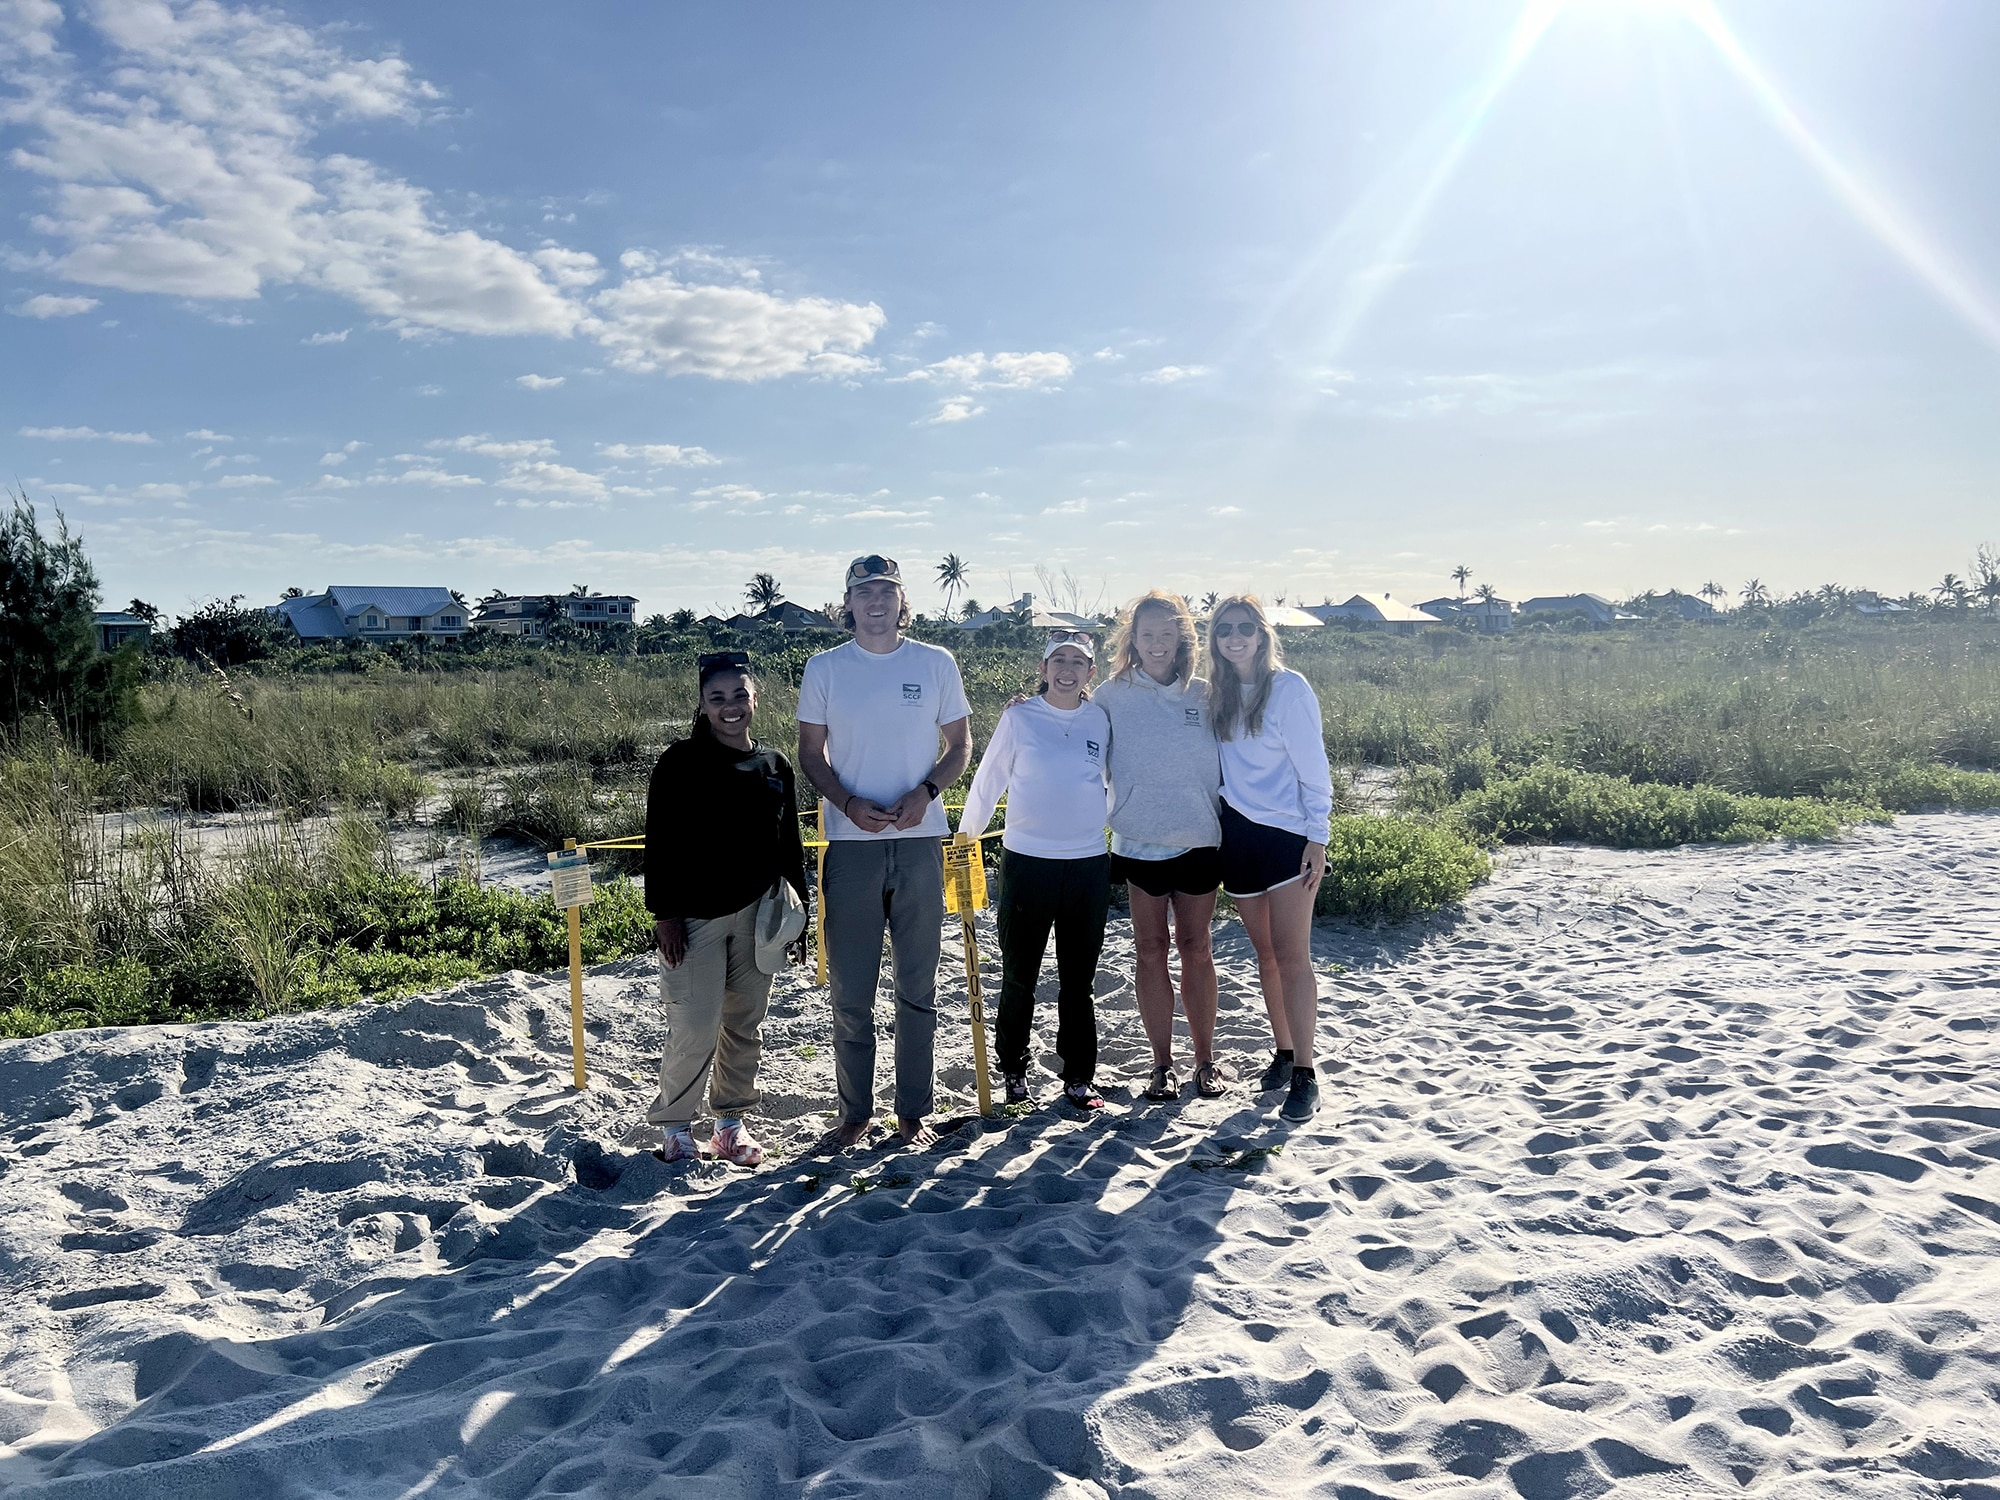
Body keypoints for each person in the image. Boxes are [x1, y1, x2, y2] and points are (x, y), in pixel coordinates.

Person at [797, 555, 972, 1151]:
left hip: (922, 838)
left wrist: (926, 794)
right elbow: (811, 756)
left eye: (887, 591)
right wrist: (847, 804)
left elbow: (960, 745)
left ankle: (912, 1111)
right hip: (851, 845)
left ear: (903, 600)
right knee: (850, 990)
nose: (876, 601)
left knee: (918, 985)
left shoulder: (935, 662)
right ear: (846, 603)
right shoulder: (823, 668)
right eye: (863, 592)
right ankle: (855, 1112)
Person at [643, 651, 807, 1166]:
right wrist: (664, 915)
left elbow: (790, 846)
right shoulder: (678, 763)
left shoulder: (775, 764)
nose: (730, 707)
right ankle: (674, 1127)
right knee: (694, 1024)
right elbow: (660, 844)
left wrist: (799, 918)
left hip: (761, 916)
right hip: (694, 920)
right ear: (702, 704)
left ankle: (730, 1125)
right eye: (718, 698)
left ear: (755, 699)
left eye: (740, 696)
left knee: (744, 1024)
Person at [958, 633, 1113, 1110]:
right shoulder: (1018, 716)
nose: (1068, 669)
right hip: (1027, 863)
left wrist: (1091, 825)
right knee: (1019, 974)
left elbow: (1112, 783)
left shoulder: (1101, 718)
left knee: (1078, 980)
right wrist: (964, 842)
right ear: (1043, 668)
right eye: (1058, 660)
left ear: (1092, 672)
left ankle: (1078, 1076)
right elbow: (988, 782)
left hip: (1087, 864)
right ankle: (1014, 1069)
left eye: (1079, 662)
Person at [1206, 595, 1334, 1122]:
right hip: (1235, 836)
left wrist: (1317, 838)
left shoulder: (1289, 688)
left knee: (1292, 956)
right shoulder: (1216, 692)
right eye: (1224, 629)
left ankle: (1305, 1072)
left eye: (1244, 628)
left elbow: (1314, 769)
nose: (1234, 637)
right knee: (1264, 955)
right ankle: (1283, 1051)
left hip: (1287, 838)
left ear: (1261, 634)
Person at [1094, 591, 1226, 1101]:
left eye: (1166, 635)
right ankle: (1160, 1064)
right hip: (1138, 841)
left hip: (1199, 839)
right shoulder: (1110, 694)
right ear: (1132, 638)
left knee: (1197, 948)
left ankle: (1205, 1060)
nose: (1156, 644)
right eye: (1146, 634)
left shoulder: (1206, 694)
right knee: (1150, 951)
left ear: (1182, 639)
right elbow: (1068, 727)